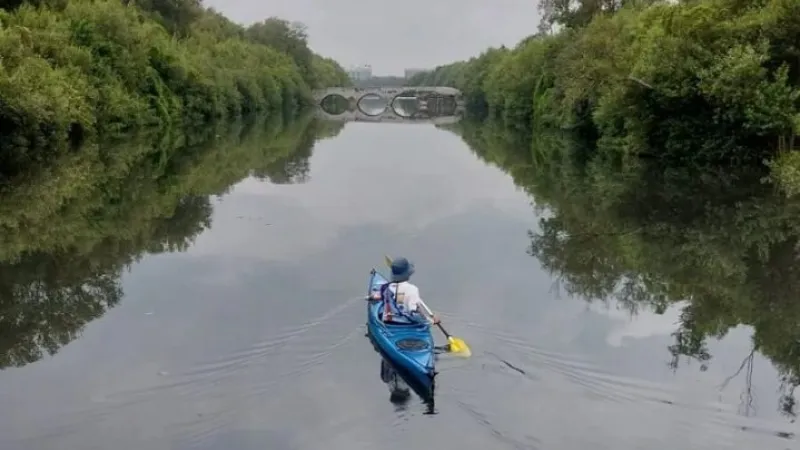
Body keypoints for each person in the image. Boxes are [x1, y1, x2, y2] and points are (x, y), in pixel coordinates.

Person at [370, 257, 439, 324]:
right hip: (407, 323)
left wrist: (371, 297)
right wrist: (431, 321)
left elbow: (381, 296)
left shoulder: (385, 287)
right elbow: (414, 313)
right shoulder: (412, 289)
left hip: (389, 323)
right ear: (408, 273)